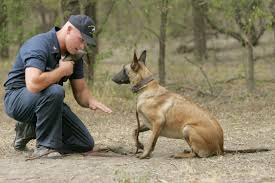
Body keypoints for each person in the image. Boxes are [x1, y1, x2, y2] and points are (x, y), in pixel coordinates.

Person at [3, 15, 112, 157]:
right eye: (81, 40)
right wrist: (62, 71)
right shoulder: (39, 44)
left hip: (47, 101)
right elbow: (33, 84)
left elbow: (80, 91)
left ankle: (30, 129)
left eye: (86, 42)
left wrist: (90, 100)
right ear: (69, 29)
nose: (82, 46)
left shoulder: (74, 53)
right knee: (55, 91)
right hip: (17, 99)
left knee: (84, 143)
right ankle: (45, 147)